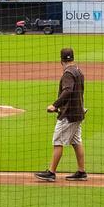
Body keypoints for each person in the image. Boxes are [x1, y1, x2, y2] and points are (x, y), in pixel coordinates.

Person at [38, 47, 88, 182]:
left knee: (58, 141)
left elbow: (68, 91)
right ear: (73, 58)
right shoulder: (78, 70)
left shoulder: (68, 73)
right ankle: (81, 171)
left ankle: (51, 172)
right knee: (76, 141)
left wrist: (55, 105)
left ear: (61, 60)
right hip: (78, 112)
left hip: (69, 115)